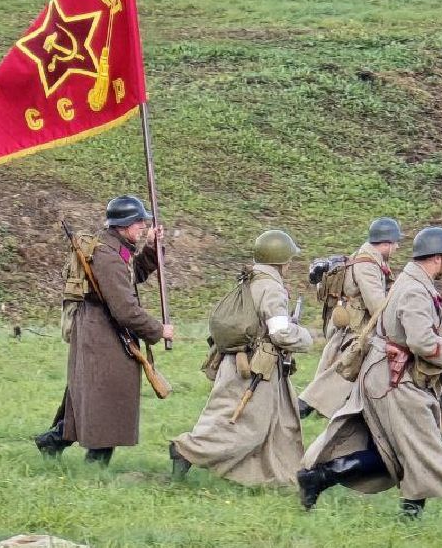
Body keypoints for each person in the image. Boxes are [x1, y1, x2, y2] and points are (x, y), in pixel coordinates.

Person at [295, 227, 442, 519]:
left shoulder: (409, 281)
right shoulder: (416, 291)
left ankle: (320, 478)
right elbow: (421, 341)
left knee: (397, 448)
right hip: (395, 379)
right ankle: (409, 515)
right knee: (421, 447)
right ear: (438, 258)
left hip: (388, 374)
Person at [34, 195, 173, 467]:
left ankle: (53, 442)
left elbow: (132, 277)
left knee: (95, 396)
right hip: (101, 333)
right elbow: (125, 309)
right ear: (124, 225)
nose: (143, 227)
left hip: (101, 330)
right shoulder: (107, 256)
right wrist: (158, 330)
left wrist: (152, 249)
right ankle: (95, 466)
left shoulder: (116, 248)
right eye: (139, 223)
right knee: (106, 396)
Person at [169, 230, 313, 486]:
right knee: (247, 427)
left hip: (241, 361)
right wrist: (305, 337)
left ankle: (281, 477)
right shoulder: (272, 288)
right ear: (282, 261)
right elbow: (280, 332)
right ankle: (186, 451)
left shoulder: (251, 280)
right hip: (257, 367)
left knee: (274, 423)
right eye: (289, 259)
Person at [298, 218, 399, 419]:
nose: (397, 247)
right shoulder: (368, 264)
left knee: (340, 365)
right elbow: (377, 305)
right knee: (347, 366)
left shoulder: (370, 259)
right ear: (386, 243)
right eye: (395, 243)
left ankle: (322, 405)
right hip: (359, 326)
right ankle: (307, 403)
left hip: (354, 323)